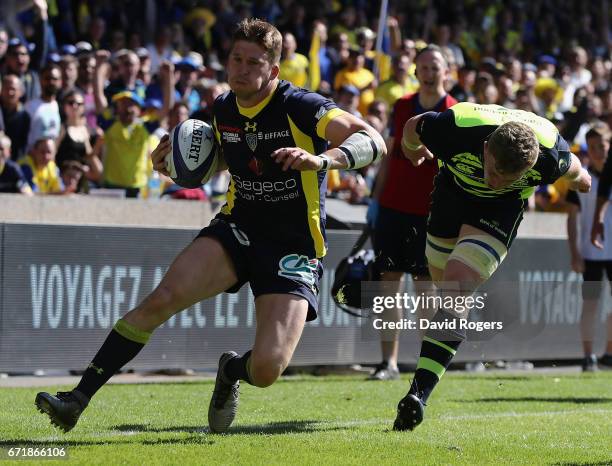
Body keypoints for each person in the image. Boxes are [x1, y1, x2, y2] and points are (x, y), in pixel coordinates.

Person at [35, 18, 386, 434]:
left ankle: (232, 371)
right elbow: (214, 161)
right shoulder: (222, 108)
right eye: (236, 59)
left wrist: (324, 160)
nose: (241, 68)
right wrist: (170, 165)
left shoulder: (300, 105)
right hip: (237, 229)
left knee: (269, 367)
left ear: (273, 71)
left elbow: (374, 140)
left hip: (293, 246)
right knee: (161, 299)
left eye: (253, 62)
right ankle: (76, 399)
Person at [393, 102, 591, 431]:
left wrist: (582, 180)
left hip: (499, 213)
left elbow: (575, 168)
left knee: (457, 287)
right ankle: (428, 373)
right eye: (495, 172)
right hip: (451, 197)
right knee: (446, 290)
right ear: (486, 149)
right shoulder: (453, 128)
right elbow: (413, 125)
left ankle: (418, 394)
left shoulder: (549, 157)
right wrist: (410, 149)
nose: (497, 181)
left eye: (510, 177)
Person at [367, 45, 457, 381]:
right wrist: (376, 200)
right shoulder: (403, 105)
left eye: (436, 67)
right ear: (416, 71)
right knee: (388, 284)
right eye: (424, 67)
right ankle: (386, 362)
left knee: (426, 288)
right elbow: (391, 154)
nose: (430, 72)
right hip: (393, 207)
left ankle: (425, 365)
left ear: (446, 72)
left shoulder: (454, 111)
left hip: (432, 213)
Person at [567, 125, 612, 371]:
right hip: (591, 253)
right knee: (591, 305)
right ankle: (588, 356)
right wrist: (574, 252)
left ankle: (609, 352)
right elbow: (571, 218)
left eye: (602, 146)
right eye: (592, 147)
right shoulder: (581, 178)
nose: (597, 152)